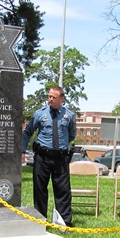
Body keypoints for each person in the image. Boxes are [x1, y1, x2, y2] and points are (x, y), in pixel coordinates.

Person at [22, 86, 76, 227]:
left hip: (61, 158)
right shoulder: (40, 114)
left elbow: (71, 135)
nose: (50, 99)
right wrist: (22, 150)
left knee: (63, 191)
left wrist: (60, 147)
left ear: (62, 99)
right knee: (40, 190)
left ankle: (64, 223)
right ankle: (40, 221)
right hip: (42, 157)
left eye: (54, 97)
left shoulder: (69, 115)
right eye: (49, 96)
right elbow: (27, 132)